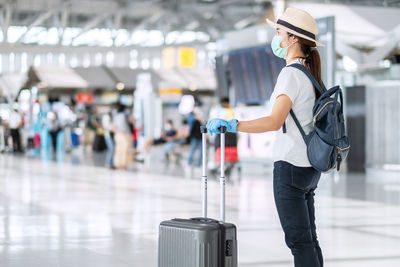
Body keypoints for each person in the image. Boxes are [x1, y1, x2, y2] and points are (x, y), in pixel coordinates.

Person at [207, 8, 324, 267]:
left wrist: (233, 124)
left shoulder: (291, 74)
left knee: (299, 242)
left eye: (279, 31)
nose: (277, 37)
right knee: (308, 240)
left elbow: (274, 121)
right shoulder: (310, 75)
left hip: (290, 166)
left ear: (293, 38)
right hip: (308, 168)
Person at [112, 104, 131, 169]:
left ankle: (117, 164)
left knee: (118, 150)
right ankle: (123, 164)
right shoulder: (125, 115)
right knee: (125, 150)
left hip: (117, 135)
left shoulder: (115, 116)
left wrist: (117, 131)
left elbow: (113, 127)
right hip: (125, 134)